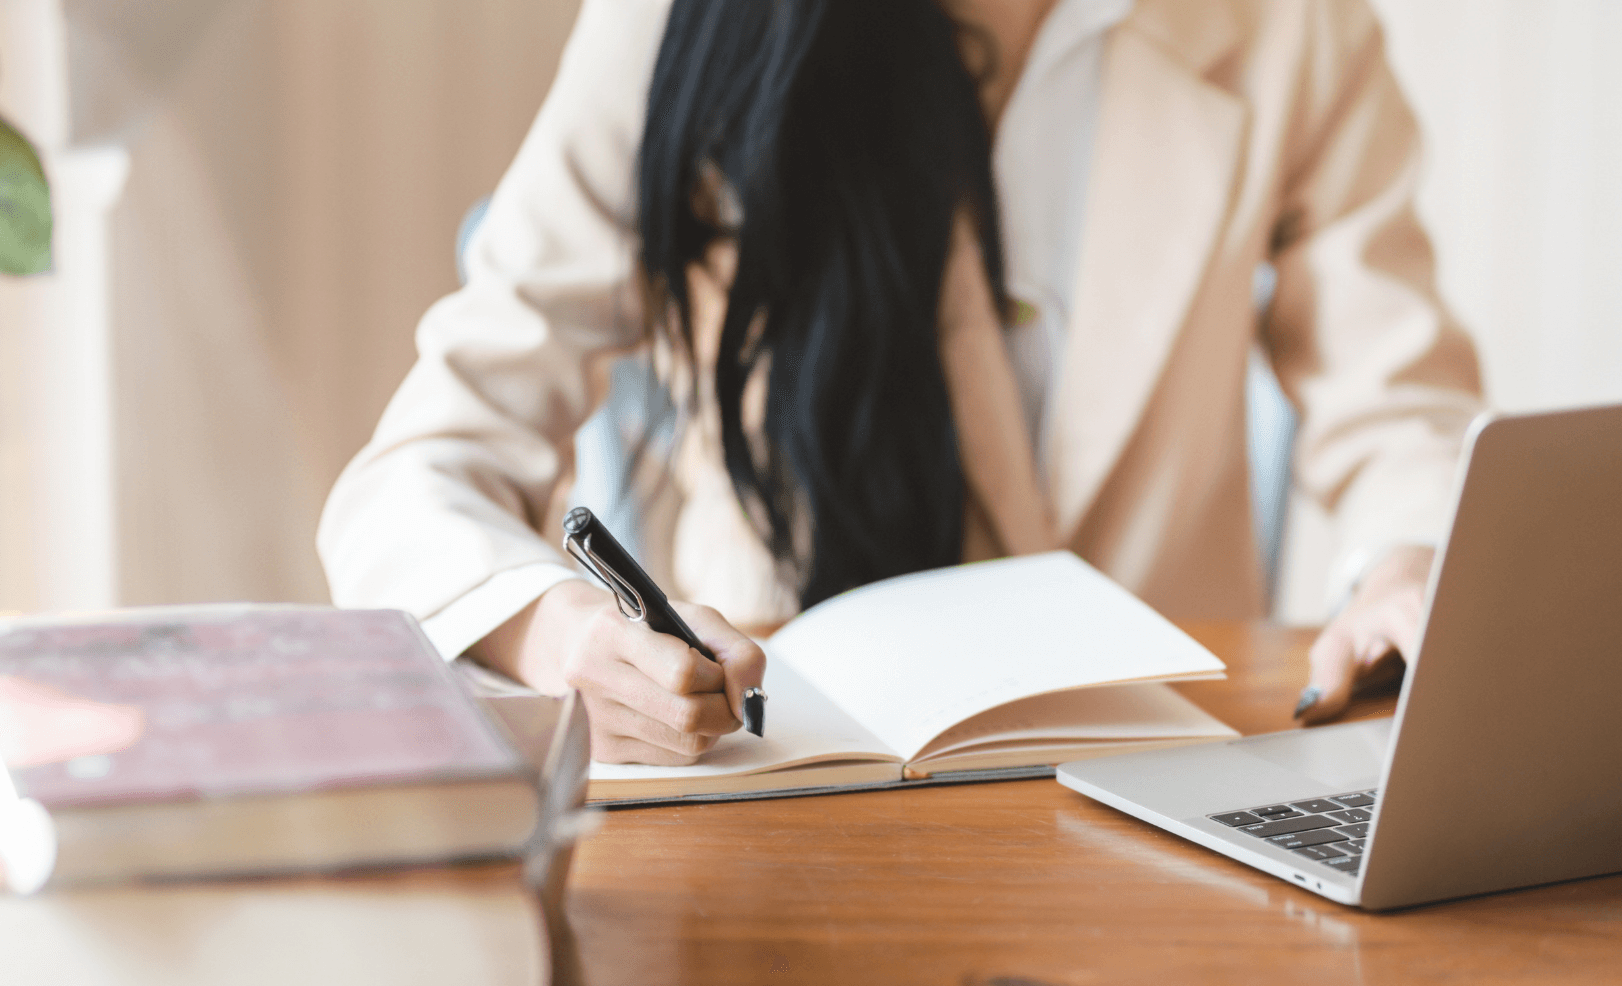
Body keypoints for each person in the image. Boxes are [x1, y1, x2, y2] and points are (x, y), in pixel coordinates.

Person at [318, 0, 1484, 767]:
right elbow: (418, 475)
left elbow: (1399, 410)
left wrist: (1406, 562)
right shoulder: (676, 25)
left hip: (1164, 781)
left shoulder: (1293, 26)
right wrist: (560, 635)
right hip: (794, 779)